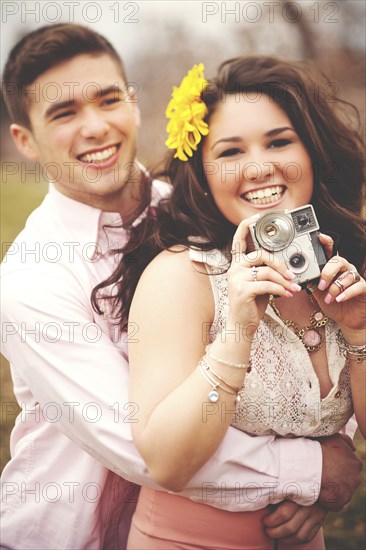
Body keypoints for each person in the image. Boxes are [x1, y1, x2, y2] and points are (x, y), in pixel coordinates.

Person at [0, 25, 362, 548]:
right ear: (25, 140)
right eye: (64, 113)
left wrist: (309, 483)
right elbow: (137, 445)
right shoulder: (33, 280)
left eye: (107, 100)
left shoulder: (212, 209)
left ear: (133, 103)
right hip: (74, 534)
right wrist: (308, 473)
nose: (96, 126)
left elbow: (300, 343)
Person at [96, 58, 365, 549]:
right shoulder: (181, 277)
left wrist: (360, 336)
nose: (259, 166)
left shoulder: (347, 268)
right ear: (202, 171)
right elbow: (167, 464)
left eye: (279, 141)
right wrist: (237, 332)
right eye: (230, 151)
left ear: (313, 151)